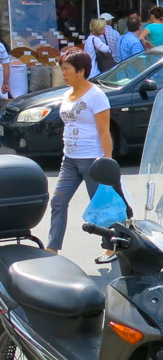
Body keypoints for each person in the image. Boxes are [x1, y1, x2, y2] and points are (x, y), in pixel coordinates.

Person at [47, 48, 112, 256]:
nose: (63, 73)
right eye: (62, 69)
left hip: (92, 159)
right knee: (58, 201)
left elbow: (104, 131)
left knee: (102, 207)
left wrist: (107, 163)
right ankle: (52, 247)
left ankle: (112, 245)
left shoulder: (97, 96)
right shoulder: (67, 94)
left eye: (66, 69)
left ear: (81, 71)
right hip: (70, 159)